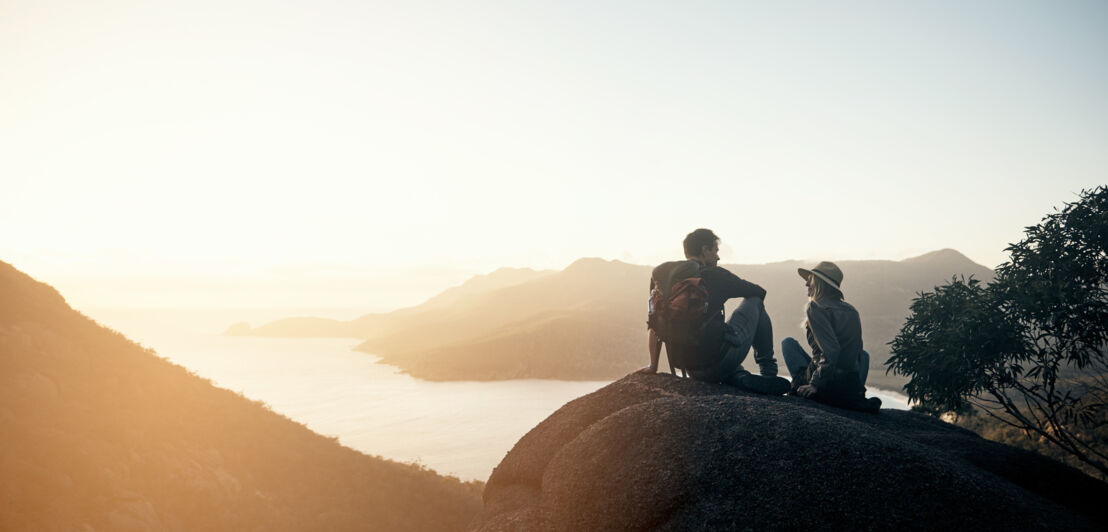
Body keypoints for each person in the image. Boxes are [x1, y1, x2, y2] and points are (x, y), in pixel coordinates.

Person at [640, 228, 790, 395]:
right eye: (716, 251)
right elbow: (759, 292)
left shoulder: (662, 277)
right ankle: (768, 372)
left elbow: (654, 322)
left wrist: (653, 365)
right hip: (719, 360)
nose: (718, 257)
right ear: (705, 250)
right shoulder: (715, 274)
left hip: (690, 368)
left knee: (716, 345)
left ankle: (739, 376)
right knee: (755, 302)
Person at [781, 261, 881, 412]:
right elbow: (857, 353)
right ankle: (855, 393)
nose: (806, 284)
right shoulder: (852, 310)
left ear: (820, 284)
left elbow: (832, 351)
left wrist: (814, 384)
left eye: (810, 279)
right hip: (848, 386)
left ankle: (800, 385)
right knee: (864, 355)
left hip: (826, 384)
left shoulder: (815, 307)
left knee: (788, 343)